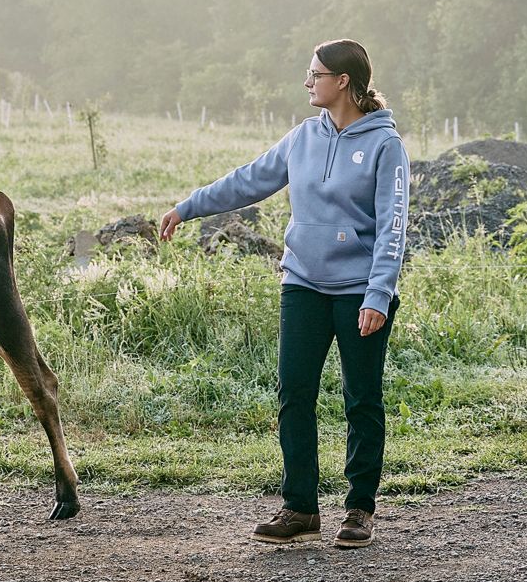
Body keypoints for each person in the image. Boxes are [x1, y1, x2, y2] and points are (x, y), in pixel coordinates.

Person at [158, 39, 407, 548]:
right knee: (294, 394)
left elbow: (393, 226)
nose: (307, 82)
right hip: (303, 284)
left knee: (361, 400)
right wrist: (188, 207)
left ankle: (360, 509)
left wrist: (378, 294)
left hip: (359, 291)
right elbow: (248, 181)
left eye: (315, 74)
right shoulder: (302, 138)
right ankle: (300, 508)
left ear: (342, 81)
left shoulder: (386, 145)